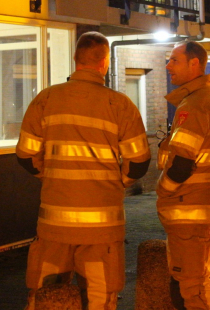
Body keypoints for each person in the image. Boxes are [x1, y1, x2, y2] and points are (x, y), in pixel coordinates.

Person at [16, 32, 151, 310]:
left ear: (76, 59)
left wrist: (50, 176)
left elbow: (26, 156)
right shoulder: (120, 105)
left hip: (54, 225)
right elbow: (139, 163)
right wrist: (116, 182)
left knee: (46, 296)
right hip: (102, 229)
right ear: (104, 63)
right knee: (99, 299)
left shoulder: (45, 99)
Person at [159, 41, 210, 310]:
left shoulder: (194, 104)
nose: (168, 66)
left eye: (174, 60)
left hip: (190, 211)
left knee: (195, 288)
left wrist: (163, 190)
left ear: (194, 64)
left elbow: (182, 163)